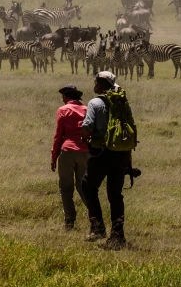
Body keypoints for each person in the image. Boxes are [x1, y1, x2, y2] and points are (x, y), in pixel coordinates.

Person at [80, 71, 129, 249]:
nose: (94, 85)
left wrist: (85, 139)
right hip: (121, 154)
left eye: (96, 82)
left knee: (87, 186)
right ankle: (118, 235)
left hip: (100, 154)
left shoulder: (95, 102)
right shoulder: (122, 102)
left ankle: (98, 227)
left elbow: (87, 126)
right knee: (115, 195)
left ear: (101, 85)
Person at [51, 84, 89, 231]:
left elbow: (58, 135)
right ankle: (95, 218)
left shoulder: (63, 110)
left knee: (66, 188)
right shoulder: (86, 109)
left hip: (67, 151)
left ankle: (70, 221)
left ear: (66, 97)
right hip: (86, 151)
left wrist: (54, 157)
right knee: (83, 187)